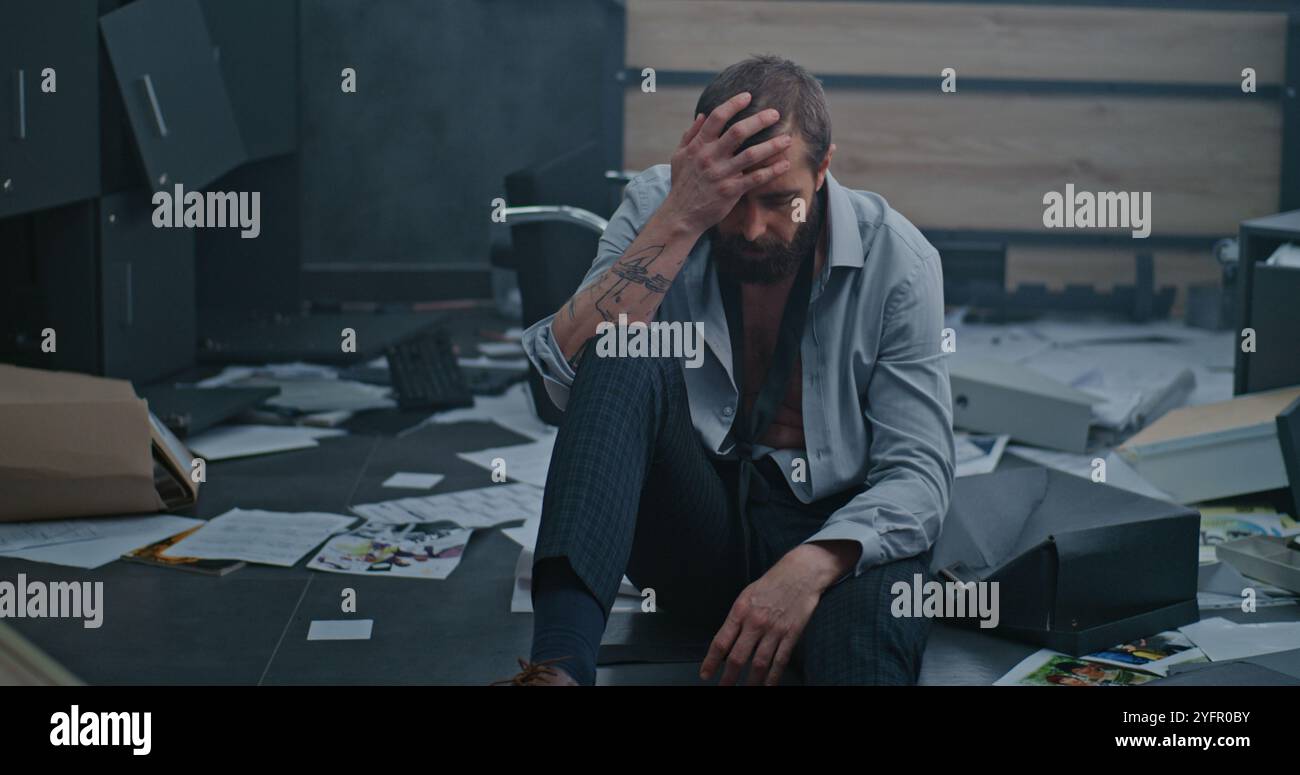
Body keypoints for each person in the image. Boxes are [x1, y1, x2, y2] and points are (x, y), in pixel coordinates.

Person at [503, 55, 954, 686]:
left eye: (779, 201)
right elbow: (564, 370)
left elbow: (919, 474)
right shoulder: (664, 209)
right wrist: (684, 217)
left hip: (832, 532)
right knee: (621, 350)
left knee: (866, 657)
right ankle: (555, 670)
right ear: (697, 169)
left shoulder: (897, 261)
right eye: (732, 201)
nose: (753, 226)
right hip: (699, 523)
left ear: (824, 170)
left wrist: (810, 565)